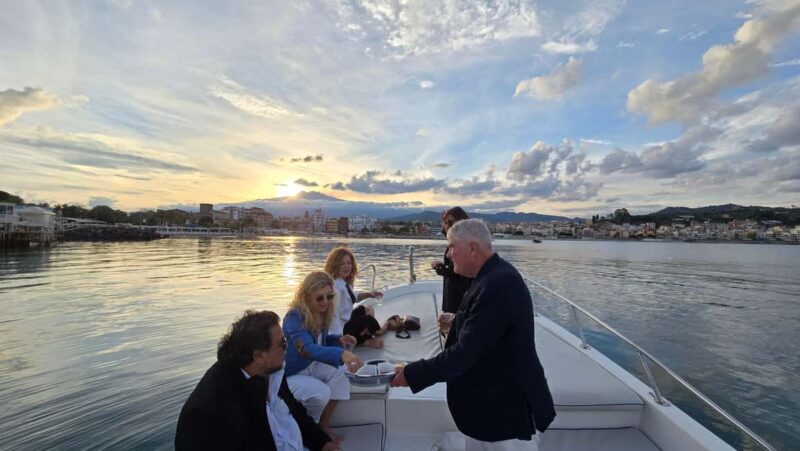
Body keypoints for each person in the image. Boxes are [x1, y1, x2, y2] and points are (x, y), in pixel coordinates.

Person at [392, 219, 556, 451]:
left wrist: (411, 373)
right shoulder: (491, 277)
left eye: (451, 247)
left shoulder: (498, 284)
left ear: (472, 248)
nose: (448, 255)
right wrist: (458, 319)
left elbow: (465, 353)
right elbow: (490, 327)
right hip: (488, 413)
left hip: (506, 418)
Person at [175, 309, 339, 451]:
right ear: (259, 355)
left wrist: (322, 443)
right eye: (282, 343)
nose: (287, 347)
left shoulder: (272, 371)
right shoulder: (208, 412)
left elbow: (295, 411)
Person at [283, 271, 363, 439]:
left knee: (343, 373)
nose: (325, 302)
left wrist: (339, 340)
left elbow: (321, 341)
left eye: (329, 296)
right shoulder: (294, 317)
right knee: (321, 393)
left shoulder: (321, 313)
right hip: (294, 371)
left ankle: (323, 425)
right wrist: (342, 354)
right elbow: (307, 348)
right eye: (319, 298)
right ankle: (307, 432)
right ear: (306, 296)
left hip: (311, 365)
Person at [324, 247, 397, 348]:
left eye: (349, 263)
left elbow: (353, 296)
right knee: (370, 322)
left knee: (368, 308)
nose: (346, 267)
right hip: (340, 329)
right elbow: (333, 317)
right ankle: (370, 336)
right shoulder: (336, 289)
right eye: (341, 264)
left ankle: (366, 335)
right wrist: (339, 341)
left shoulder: (343, 282)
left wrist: (370, 294)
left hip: (346, 320)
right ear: (334, 266)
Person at [431, 207, 473, 313]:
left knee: (454, 319)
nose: (446, 225)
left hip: (458, 291)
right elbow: (450, 236)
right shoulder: (461, 238)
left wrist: (437, 266)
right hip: (455, 288)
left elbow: (454, 270)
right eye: (445, 222)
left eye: (450, 222)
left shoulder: (463, 242)